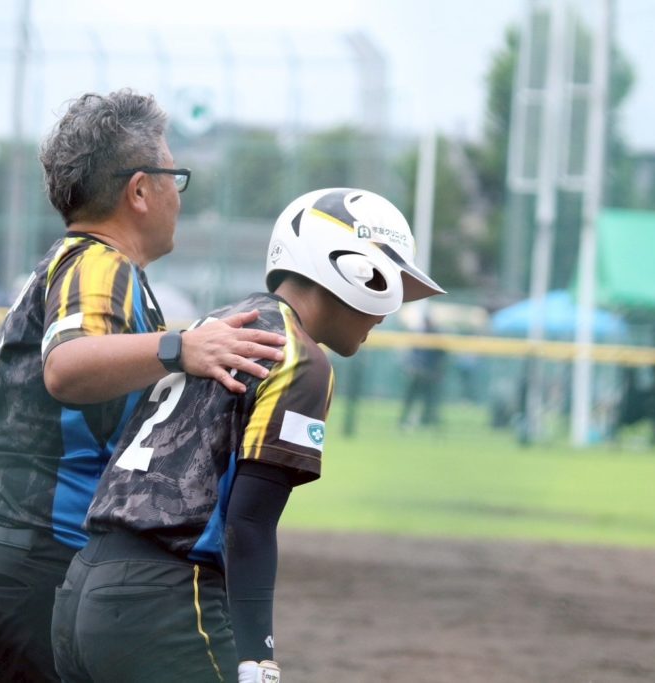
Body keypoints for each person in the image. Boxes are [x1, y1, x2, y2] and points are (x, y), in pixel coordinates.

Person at [0, 89, 287, 683]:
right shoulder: (97, 263)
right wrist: (182, 347)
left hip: (15, 553)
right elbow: (67, 365)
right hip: (38, 553)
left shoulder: (86, 263)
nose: (178, 194)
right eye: (173, 176)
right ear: (139, 190)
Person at [51, 187, 445, 682]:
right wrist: (259, 657)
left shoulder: (217, 324)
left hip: (80, 592)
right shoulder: (298, 357)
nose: (386, 314)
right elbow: (250, 523)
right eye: (387, 284)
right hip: (166, 600)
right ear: (352, 270)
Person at [398, 314, 447, 429]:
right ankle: (404, 420)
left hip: (429, 375)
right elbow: (413, 355)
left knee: (429, 400)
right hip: (418, 373)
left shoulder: (437, 339)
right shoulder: (420, 337)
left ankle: (427, 420)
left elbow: (441, 357)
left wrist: (437, 371)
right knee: (411, 399)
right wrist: (412, 368)